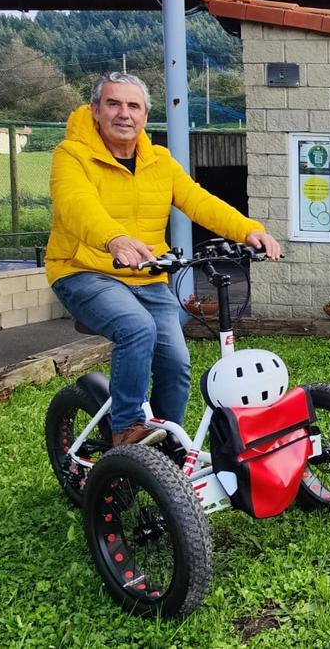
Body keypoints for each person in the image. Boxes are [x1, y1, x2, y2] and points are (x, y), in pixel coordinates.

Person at [47, 72, 282, 447]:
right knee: (136, 328)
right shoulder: (72, 156)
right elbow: (77, 205)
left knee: (176, 363)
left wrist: (247, 230)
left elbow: (198, 200)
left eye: (133, 106)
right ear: (95, 111)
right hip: (84, 271)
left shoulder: (160, 161)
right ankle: (126, 429)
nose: (124, 113)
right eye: (113, 104)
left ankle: (163, 446)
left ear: (144, 115)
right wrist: (115, 238)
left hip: (148, 275)